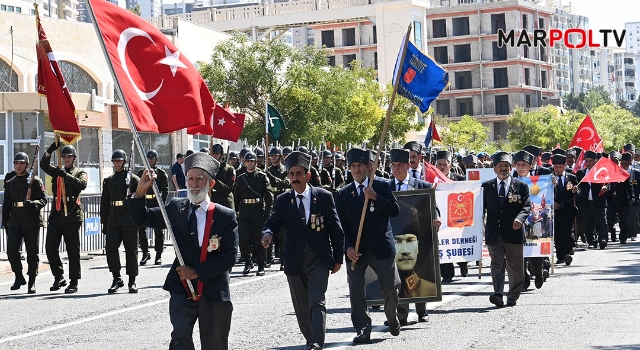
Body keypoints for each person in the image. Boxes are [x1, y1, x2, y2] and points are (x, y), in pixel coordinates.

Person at [129, 152, 238, 350]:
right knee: (180, 339)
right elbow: (141, 218)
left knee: (215, 343)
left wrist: (197, 272)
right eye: (190, 178)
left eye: (199, 179)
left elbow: (229, 258)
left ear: (210, 184)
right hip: (182, 287)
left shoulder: (225, 216)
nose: (194, 184)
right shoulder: (174, 207)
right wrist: (140, 192)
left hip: (213, 289)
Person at [261, 151, 344, 350]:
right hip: (295, 259)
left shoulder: (323, 197)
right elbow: (273, 221)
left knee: (317, 301)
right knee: (301, 306)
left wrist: (338, 258)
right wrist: (267, 233)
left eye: (299, 174)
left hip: (318, 258)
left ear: (307, 176)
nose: (295, 178)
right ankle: (311, 338)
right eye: (292, 174)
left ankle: (316, 342)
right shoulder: (283, 200)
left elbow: (336, 228)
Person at [335, 148, 401, 343]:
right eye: (353, 166)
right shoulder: (343, 193)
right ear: (349, 169)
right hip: (357, 250)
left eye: (360, 166)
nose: (357, 170)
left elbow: (394, 210)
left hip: (381, 247)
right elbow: (341, 225)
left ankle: (392, 317)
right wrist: (348, 248)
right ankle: (363, 328)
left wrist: (376, 197)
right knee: (356, 291)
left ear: (368, 167)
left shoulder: (380, 185)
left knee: (390, 287)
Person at [388, 148, 439, 324]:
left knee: (418, 270)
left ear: (408, 165)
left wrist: (436, 218)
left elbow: (434, 208)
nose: (396, 169)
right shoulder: (385, 188)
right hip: (395, 237)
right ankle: (400, 314)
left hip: (417, 235)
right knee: (398, 275)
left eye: (400, 165)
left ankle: (421, 310)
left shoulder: (422, 186)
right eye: (393, 165)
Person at [483, 152, 531, 307]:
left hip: (514, 231)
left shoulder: (521, 186)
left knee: (515, 266)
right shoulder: (486, 186)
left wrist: (520, 219)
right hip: (494, 232)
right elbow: (480, 209)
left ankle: (512, 295)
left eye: (506, 166)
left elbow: (526, 206)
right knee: (496, 264)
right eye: (500, 165)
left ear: (511, 168)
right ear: (495, 168)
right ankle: (497, 293)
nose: (503, 168)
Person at [41, 142, 88, 294]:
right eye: (64, 156)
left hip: (72, 215)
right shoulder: (57, 171)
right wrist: (50, 150)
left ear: (74, 158)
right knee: (50, 248)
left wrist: (65, 176)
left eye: (69, 157)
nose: (66, 159)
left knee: (72, 250)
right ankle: (59, 276)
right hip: (57, 214)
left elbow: (82, 184)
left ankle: (73, 281)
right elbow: (43, 165)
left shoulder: (79, 172)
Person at [3, 152, 47, 293]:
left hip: (31, 220)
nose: (19, 166)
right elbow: (7, 205)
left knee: (32, 253)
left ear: (27, 165)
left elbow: (43, 200)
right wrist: (5, 223)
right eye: (16, 163)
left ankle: (32, 281)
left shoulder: (35, 181)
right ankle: (19, 276)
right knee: (11, 251)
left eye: (21, 163)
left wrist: (33, 203)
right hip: (15, 221)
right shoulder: (10, 183)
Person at [101, 150, 140, 293]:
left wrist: (139, 217)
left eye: (119, 161)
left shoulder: (133, 179)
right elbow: (104, 203)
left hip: (129, 219)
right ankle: (116, 278)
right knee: (110, 248)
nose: (116, 163)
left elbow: (139, 199)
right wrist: (104, 223)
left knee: (131, 250)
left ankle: (132, 280)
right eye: (114, 161)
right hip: (113, 219)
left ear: (124, 161)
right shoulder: (108, 180)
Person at [233, 151, 274, 276]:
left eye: (252, 161)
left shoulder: (262, 177)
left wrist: (268, 212)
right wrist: (236, 212)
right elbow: (236, 196)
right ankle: (248, 261)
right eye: (247, 161)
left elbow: (269, 195)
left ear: (256, 162)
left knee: (259, 239)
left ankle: (261, 265)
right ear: (244, 163)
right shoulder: (241, 179)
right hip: (245, 212)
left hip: (258, 212)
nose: (249, 163)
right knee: (243, 238)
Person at [434, 150, 468, 282]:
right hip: (441, 217)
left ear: (450, 165)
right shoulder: (432, 180)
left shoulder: (459, 179)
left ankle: (462, 263)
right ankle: (447, 273)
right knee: (442, 243)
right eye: (439, 164)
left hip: (456, 217)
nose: (442, 167)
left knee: (457, 243)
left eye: (444, 164)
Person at [138, 149, 169, 266]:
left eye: (152, 158)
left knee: (158, 230)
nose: (150, 160)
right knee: (141, 229)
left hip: (156, 203)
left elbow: (165, 191)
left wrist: (162, 205)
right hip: (145, 202)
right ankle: (145, 253)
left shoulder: (161, 173)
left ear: (157, 160)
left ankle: (158, 254)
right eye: (148, 158)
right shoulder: (141, 172)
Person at [576, 151, 609, 249]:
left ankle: (603, 239)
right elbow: (578, 187)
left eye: (591, 161)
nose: (589, 163)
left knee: (602, 221)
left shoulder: (601, 171)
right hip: (586, 202)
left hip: (599, 201)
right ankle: (591, 241)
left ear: (595, 161)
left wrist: (606, 188)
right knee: (589, 222)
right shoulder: (581, 173)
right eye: (587, 161)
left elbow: (608, 183)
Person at [551, 154, 579, 265]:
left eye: (560, 167)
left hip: (568, 209)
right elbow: (543, 193)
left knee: (567, 232)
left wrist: (575, 191)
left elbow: (578, 192)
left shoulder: (571, 177)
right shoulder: (549, 178)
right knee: (558, 233)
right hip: (555, 210)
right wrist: (552, 202)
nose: (558, 169)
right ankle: (560, 256)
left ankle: (568, 253)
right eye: (556, 167)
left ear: (564, 166)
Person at [606, 151, 634, 243]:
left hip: (623, 200)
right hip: (611, 200)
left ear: (619, 162)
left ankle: (623, 238)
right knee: (609, 218)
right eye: (612, 160)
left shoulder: (624, 173)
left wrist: (631, 197)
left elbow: (630, 186)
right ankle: (612, 232)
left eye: (616, 161)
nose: (614, 162)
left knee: (624, 220)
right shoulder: (606, 173)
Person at [210, 144, 236, 211]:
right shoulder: (208, 169)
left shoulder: (229, 169)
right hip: (212, 203)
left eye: (216, 154)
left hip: (225, 204)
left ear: (221, 155)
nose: (214, 156)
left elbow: (228, 189)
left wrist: (214, 182)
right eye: (213, 153)